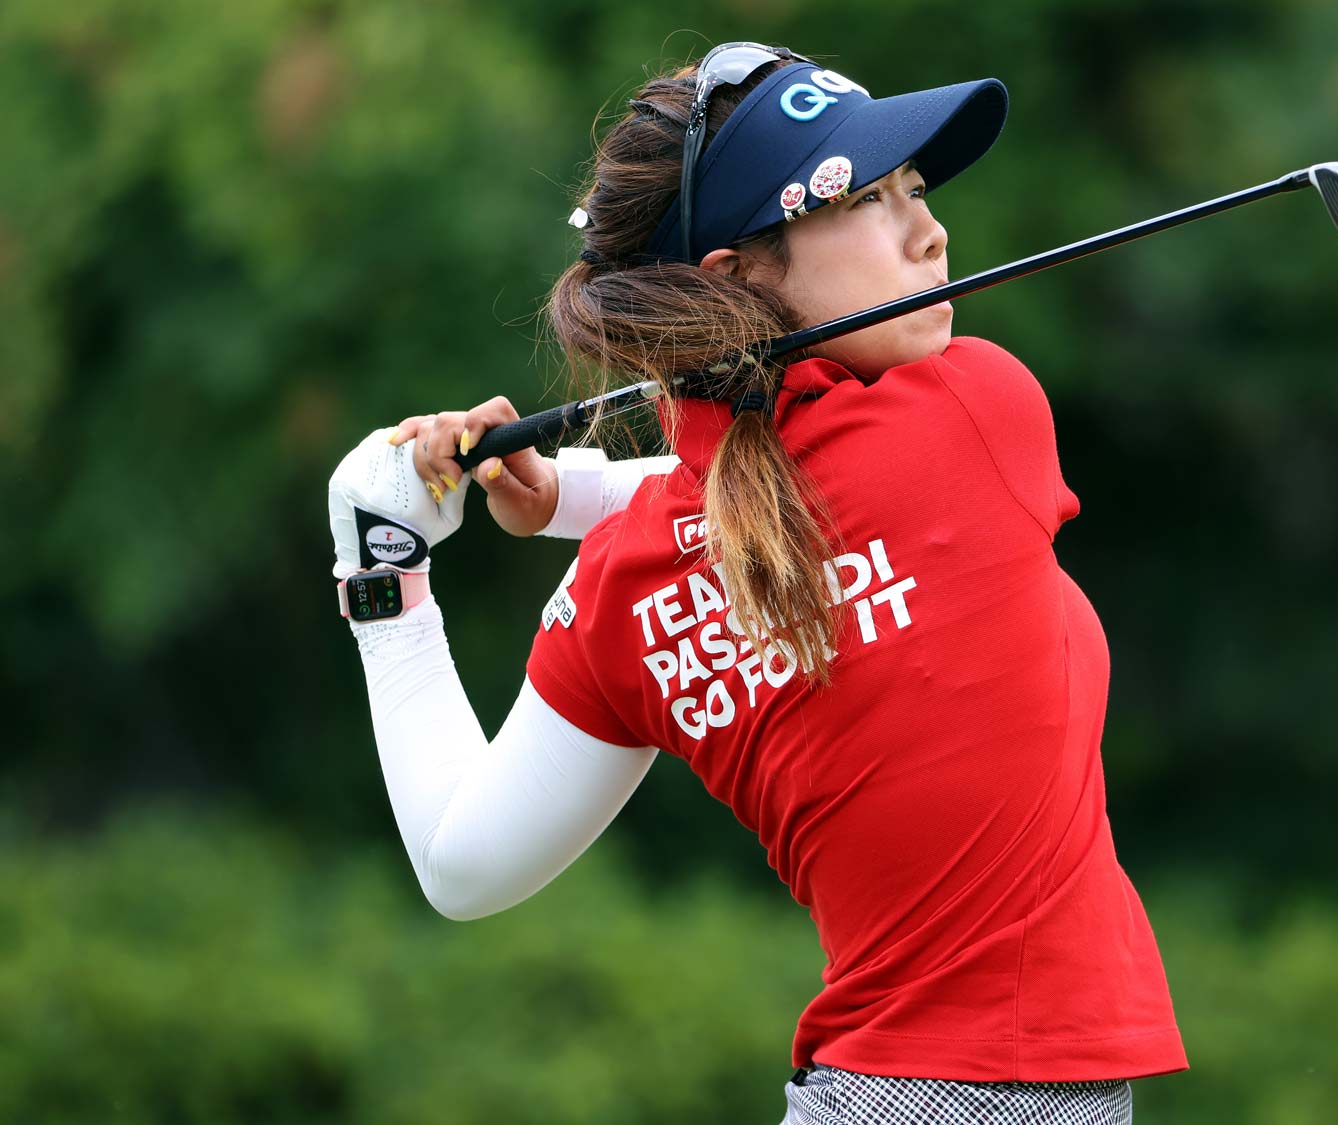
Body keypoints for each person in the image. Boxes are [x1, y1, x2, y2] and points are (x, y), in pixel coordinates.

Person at [325, 41, 1188, 1124]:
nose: (931, 231)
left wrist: (386, 570)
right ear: (737, 277)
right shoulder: (980, 408)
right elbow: (807, 484)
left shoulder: (628, 583)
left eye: (914, 189)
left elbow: (463, 866)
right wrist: (574, 497)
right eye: (865, 199)